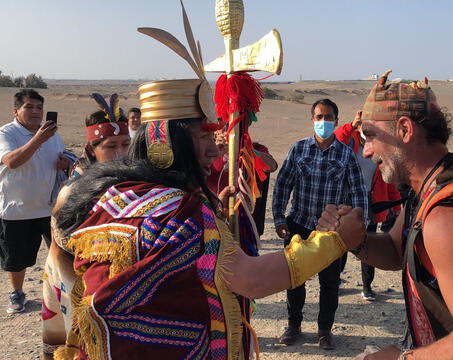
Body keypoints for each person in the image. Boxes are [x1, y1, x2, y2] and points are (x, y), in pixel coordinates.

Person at [49, 6, 357, 358]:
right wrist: (333, 241)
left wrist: (217, 216)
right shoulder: (184, 211)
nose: (214, 148)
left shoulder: (108, 197)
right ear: (167, 142)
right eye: (202, 136)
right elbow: (252, 279)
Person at [318, 70, 453, 359]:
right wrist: (354, 240)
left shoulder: (447, 218)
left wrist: (402, 359)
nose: (366, 151)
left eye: (370, 136)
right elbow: (397, 251)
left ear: (405, 130)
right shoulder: (430, 190)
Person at [272, 98, 369, 349]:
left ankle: (325, 331)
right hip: (299, 226)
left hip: (331, 231)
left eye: (328, 118)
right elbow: (283, 184)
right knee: (295, 279)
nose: (323, 122)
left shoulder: (346, 154)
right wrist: (280, 218)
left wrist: (360, 224)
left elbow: (358, 191)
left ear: (336, 121)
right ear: (312, 120)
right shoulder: (298, 149)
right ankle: (293, 326)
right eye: (319, 117)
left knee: (329, 283)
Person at [41, 94, 130, 358]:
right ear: (92, 149)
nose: (121, 153)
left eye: (125, 144)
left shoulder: (125, 179)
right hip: (73, 278)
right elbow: (65, 240)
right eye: (111, 146)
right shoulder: (75, 189)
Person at [0, 89, 69, 314]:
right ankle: (17, 293)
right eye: (29, 107)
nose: (35, 112)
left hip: (50, 209)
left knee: (59, 256)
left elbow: (62, 157)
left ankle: (60, 294)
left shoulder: (52, 134)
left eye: (39, 107)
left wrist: (64, 162)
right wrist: (39, 138)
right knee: (17, 259)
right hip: (17, 210)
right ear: (16, 110)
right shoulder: (7, 133)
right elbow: (11, 161)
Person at [334, 110, 401, 301]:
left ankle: (367, 286)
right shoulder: (351, 140)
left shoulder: (381, 145)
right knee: (341, 243)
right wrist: (351, 125)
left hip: (371, 203)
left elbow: (388, 179)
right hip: (346, 200)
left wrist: (395, 208)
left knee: (367, 243)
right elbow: (336, 141)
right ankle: (337, 279)